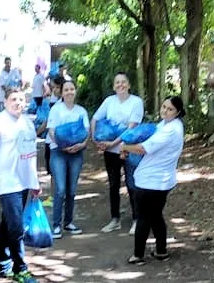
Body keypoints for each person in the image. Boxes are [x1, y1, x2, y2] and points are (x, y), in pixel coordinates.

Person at [0, 87, 41, 283]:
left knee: (8, 222)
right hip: (7, 183)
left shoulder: (28, 123)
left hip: (24, 182)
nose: (18, 103)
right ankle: (20, 269)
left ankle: (3, 265)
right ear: (5, 102)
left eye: (21, 99)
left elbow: (31, 155)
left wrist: (35, 182)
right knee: (16, 227)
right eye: (13, 99)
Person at [122, 94, 185, 265]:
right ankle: (161, 251)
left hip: (152, 180)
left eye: (170, 109)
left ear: (178, 112)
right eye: (164, 107)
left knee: (143, 217)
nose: (165, 111)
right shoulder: (167, 124)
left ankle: (138, 255)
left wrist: (124, 147)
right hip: (160, 178)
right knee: (156, 215)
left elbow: (143, 148)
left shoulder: (170, 130)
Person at [90, 72, 144, 234]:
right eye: (117, 82)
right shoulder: (109, 101)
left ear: (129, 85)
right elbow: (95, 119)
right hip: (110, 151)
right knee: (113, 185)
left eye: (123, 82)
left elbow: (132, 127)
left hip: (129, 148)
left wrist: (113, 143)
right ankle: (115, 219)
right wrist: (95, 138)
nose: (120, 85)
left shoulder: (136, 102)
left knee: (132, 184)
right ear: (114, 86)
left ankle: (137, 219)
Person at [46, 78, 89, 237]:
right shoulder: (56, 110)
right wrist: (62, 145)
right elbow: (51, 131)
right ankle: (56, 224)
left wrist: (82, 144)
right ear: (62, 93)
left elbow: (86, 131)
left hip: (77, 153)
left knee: (71, 190)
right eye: (66, 90)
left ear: (75, 91)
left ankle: (69, 222)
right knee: (60, 189)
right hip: (58, 152)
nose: (69, 92)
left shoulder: (81, 111)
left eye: (72, 89)